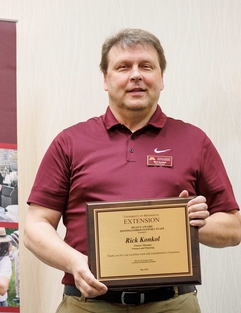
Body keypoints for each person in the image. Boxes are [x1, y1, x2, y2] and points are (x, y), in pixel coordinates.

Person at [24, 28, 241, 312]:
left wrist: (195, 225)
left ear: (162, 78)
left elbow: (234, 228)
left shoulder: (194, 140)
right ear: (105, 78)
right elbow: (35, 227)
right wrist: (74, 262)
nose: (136, 75)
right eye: (123, 66)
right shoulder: (70, 141)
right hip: (88, 304)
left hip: (172, 304)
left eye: (146, 66)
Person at [9, 230, 20, 304]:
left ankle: (21, 298)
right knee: (17, 282)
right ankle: (18, 296)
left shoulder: (23, 250)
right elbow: (11, 257)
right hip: (17, 270)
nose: (15, 241)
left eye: (16, 239)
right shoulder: (16, 250)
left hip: (22, 271)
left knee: (21, 282)